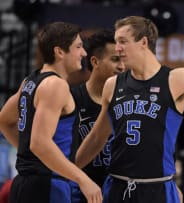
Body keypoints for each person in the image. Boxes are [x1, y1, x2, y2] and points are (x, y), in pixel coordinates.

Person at [75, 15, 184, 203]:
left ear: (144, 42)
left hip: (158, 188)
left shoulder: (177, 79)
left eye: (123, 41)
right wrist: (68, 172)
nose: (117, 48)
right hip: (118, 187)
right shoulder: (112, 85)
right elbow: (97, 137)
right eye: (116, 42)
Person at [0, 22, 102, 203]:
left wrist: (30, 158)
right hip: (47, 185)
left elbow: (4, 121)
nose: (84, 53)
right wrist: (83, 178)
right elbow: (39, 144)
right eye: (78, 47)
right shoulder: (55, 85)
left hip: (24, 183)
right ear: (59, 52)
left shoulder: (31, 80)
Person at [70, 29, 125, 202]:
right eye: (115, 60)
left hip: (119, 191)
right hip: (79, 191)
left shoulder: (130, 101)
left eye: (124, 60)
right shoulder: (71, 99)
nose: (122, 67)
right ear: (95, 61)